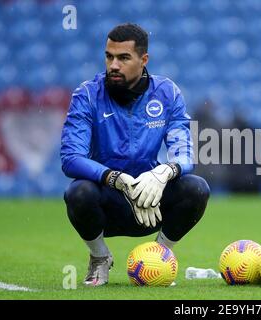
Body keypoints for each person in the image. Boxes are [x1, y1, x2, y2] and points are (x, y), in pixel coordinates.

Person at [60, 23, 210, 287]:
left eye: (123, 58)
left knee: (196, 188)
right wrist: (115, 178)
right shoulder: (87, 95)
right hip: (108, 204)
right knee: (78, 193)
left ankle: (160, 255)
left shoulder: (167, 93)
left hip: (149, 203)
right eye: (109, 56)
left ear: (143, 60)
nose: (113, 65)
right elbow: (71, 158)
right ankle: (99, 257)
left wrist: (164, 172)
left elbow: (184, 153)